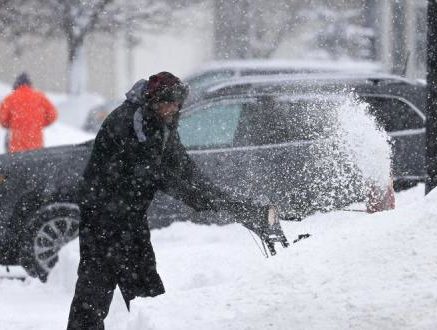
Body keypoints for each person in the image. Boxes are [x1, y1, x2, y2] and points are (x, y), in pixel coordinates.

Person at [67, 72, 272, 329]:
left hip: (129, 219)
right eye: (170, 103)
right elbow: (159, 176)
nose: (174, 109)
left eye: (178, 104)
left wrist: (229, 202)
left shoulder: (162, 124)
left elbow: (185, 170)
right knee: (99, 296)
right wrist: (201, 198)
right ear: (155, 100)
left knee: (141, 294)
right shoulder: (129, 123)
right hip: (103, 219)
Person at [0, 73, 57, 153]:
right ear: (30, 84)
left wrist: (11, 124)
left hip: (16, 147)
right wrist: (39, 123)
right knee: (36, 164)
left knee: (17, 164)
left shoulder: (10, 98)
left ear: (16, 85)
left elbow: (2, 120)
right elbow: (53, 115)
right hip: (37, 146)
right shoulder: (39, 97)